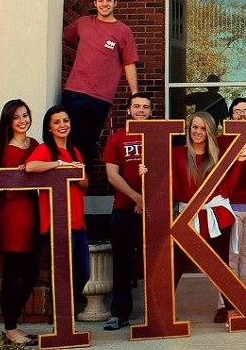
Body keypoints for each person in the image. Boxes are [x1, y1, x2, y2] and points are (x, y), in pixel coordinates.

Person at [171, 111, 246, 323]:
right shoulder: (177, 153)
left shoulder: (218, 155)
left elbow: (227, 189)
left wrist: (239, 162)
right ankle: (163, 310)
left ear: (210, 132)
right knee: (177, 262)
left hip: (217, 216)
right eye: (195, 127)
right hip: (188, 216)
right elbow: (173, 187)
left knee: (221, 266)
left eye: (203, 128)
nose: (198, 132)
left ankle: (232, 311)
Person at [62, 0, 139, 174]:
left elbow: (129, 63)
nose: (105, 4)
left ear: (115, 3)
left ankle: (82, 183)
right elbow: (63, 35)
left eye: (109, 0)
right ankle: (63, 182)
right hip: (74, 91)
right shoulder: (83, 23)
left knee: (88, 142)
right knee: (66, 138)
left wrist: (135, 93)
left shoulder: (123, 31)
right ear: (95, 3)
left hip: (100, 97)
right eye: (101, 0)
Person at [25, 105, 90, 299]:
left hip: (78, 221)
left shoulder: (75, 151)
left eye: (65, 120)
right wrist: (61, 165)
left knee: (83, 272)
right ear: (49, 128)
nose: (62, 125)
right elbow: (30, 167)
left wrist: (77, 174)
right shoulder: (45, 149)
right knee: (62, 273)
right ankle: (61, 320)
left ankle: (68, 311)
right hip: (58, 222)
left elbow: (85, 184)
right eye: (56, 122)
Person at [214, 98, 246, 324]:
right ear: (230, 117)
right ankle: (223, 305)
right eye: (237, 111)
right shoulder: (219, 141)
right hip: (228, 207)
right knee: (229, 259)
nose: (242, 115)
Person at [101, 93, 151, 331]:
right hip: (123, 208)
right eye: (137, 106)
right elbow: (112, 175)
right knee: (121, 263)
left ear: (151, 112)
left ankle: (157, 312)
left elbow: (167, 171)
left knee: (155, 262)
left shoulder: (159, 137)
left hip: (153, 210)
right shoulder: (117, 138)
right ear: (129, 110)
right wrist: (136, 197)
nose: (141, 110)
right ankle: (119, 313)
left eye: (145, 107)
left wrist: (147, 199)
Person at [0, 100, 40, 346]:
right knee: (13, 273)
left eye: (25, 115)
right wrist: (26, 175)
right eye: (16, 117)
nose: (22, 120)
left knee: (32, 273)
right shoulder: (7, 150)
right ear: (8, 122)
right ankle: (10, 328)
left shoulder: (33, 144)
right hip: (13, 216)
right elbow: (8, 190)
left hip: (33, 213)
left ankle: (12, 324)